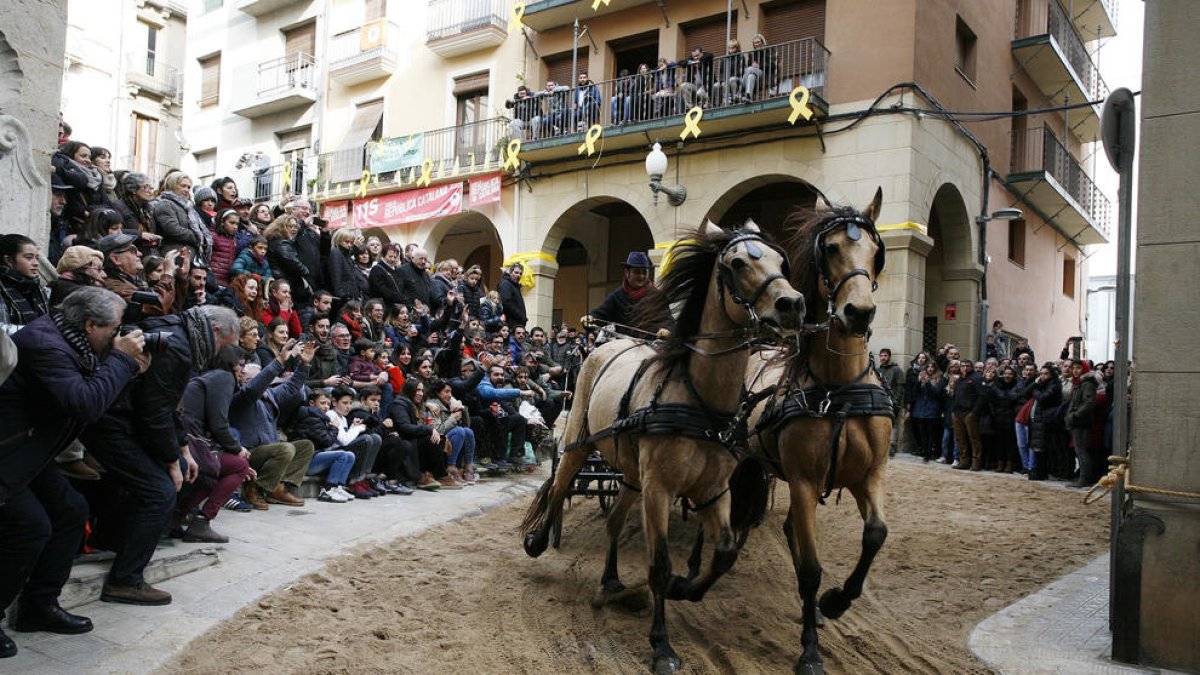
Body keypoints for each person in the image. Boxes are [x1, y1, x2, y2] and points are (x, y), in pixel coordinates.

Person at [0, 287, 146, 658]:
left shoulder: (74, 339)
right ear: (90, 324)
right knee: (31, 527)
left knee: (71, 511)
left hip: (30, 450)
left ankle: (39, 606)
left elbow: (95, 391)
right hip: (8, 451)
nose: (118, 337)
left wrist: (127, 367)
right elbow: (85, 403)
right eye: (113, 331)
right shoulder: (46, 345)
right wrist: (122, 362)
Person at [80, 305, 239, 606]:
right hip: (112, 421)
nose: (220, 353)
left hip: (120, 416)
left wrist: (182, 450)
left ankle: (111, 540)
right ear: (215, 331)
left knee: (176, 472)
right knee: (160, 490)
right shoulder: (180, 346)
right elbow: (155, 410)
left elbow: (166, 405)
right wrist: (171, 459)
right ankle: (125, 579)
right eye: (223, 345)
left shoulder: (179, 331)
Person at [229, 341, 317, 508]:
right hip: (250, 454)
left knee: (305, 446)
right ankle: (255, 487)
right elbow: (254, 388)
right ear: (244, 382)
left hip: (270, 451)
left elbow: (291, 387)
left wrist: (304, 364)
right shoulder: (240, 398)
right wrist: (279, 361)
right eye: (254, 380)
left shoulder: (269, 395)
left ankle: (277, 488)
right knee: (286, 448)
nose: (263, 383)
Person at [292, 390, 356, 503]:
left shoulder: (320, 418)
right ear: (312, 403)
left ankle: (338, 487)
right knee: (341, 455)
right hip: (306, 462)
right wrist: (334, 427)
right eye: (322, 403)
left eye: (327, 404)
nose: (326, 407)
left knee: (350, 455)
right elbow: (327, 441)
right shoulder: (311, 418)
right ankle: (328, 490)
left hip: (315, 457)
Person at [326, 385, 383, 499]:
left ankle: (363, 478)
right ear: (334, 402)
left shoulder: (342, 418)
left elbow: (346, 437)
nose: (348, 407)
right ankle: (354, 481)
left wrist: (353, 426)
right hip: (334, 453)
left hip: (343, 450)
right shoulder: (331, 415)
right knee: (366, 439)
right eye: (345, 403)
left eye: (350, 403)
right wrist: (359, 428)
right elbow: (344, 441)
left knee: (375, 438)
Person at [584, 251, 657, 336]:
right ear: (627, 272)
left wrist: (666, 329)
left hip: (651, 345)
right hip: (623, 343)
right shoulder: (617, 296)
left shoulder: (657, 296)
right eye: (637, 272)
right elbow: (601, 313)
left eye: (644, 272)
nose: (641, 276)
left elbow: (667, 319)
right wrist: (591, 318)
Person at [153, 171, 212, 262]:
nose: (186, 190)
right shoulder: (165, 204)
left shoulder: (188, 207)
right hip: (174, 255)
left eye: (188, 187)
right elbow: (173, 229)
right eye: (183, 186)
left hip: (191, 255)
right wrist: (198, 236)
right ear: (172, 185)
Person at [0, 235, 51, 335]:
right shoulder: (2, 289)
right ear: (9, 260)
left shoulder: (41, 289)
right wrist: (35, 332)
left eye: (37, 258)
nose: (36, 263)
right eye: (29, 257)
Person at [876, 348, 906, 456]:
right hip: (880, 401)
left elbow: (900, 387)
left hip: (892, 402)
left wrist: (896, 401)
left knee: (893, 424)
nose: (883, 358)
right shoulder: (877, 370)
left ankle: (892, 446)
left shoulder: (896, 370)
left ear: (889, 357)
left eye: (885, 356)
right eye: (881, 355)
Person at [369, 243, 407, 308]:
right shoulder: (376, 269)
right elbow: (382, 290)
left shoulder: (396, 270)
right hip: (384, 306)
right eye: (390, 256)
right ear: (383, 255)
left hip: (398, 306)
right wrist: (400, 298)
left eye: (395, 257)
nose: (392, 259)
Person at [497, 262, 527, 332]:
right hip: (510, 324)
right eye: (516, 272)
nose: (518, 275)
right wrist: (521, 317)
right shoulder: (506, 284)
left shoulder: (514, 286)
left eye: (520, 273)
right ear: (510, 272)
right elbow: (506, 303)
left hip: (516, 323)